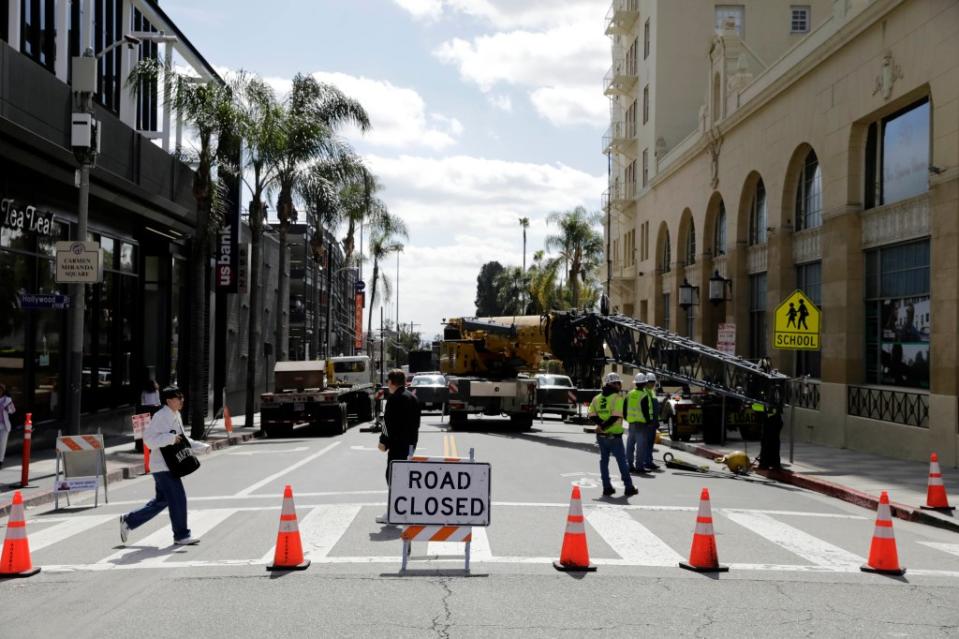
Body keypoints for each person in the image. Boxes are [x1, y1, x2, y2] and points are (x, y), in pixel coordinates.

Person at [120, 386, 199, 546]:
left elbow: (181, 439)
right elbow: (149, 440)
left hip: (169, 466)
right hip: (162, 466)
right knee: (178, 498)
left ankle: (129, 520)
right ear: (169, 401)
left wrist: (200, 446)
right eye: (178, 397)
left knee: (162, 501)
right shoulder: (161, 416)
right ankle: (181, 535)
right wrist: (170, 439)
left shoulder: (176, 415)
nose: (182, 400)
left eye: (182, 396)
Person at [376, 368, 421, 524]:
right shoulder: (413, 398)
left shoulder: (393, 399)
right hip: (410, 445)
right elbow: (417, 425)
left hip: (397, 445)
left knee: (392, 476)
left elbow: (387, 424)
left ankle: (393, 511)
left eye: (388, 381)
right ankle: (404, 508)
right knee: (404, 478)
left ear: (391, 382)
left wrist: (383, 442)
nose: (387, 385)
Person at [588, 372, 638, 497]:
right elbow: (615, 416)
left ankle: (607, 488)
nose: (619, 385)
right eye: (618, 383)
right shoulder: (617, 398)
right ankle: (629, 487)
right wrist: (604, 426)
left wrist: (600, 426)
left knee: (604, 461)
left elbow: (591, 415)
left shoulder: (597, 398)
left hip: (601, 437)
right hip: (614, 436)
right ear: (612, 384)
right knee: (622, 461)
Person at [624, 373, 647, 473]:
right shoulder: (644, 395)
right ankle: (639, 467)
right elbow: (645, 411)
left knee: (630, 445)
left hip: (631, 424)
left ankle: (629, 465)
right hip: (641, 424)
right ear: (644, 383)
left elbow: (624, 408)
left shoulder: (629, 394)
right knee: (640, 447)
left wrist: (627, 419)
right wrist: (649, 421)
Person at [639, 373, 661, 471]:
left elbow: (655, 408)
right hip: (647, 422)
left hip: (653, 422)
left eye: (653, 382)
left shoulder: (652, 392)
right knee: (646, 443)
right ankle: (645, 462)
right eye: (650, 382)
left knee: (650, 443)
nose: (652, 384)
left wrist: (657, 420)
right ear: (646, 382)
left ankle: (649, 461)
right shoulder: (644, 392)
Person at [0, 383, 15, 469]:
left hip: (4, 426)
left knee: (2, 444)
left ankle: (0, 460)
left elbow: (12, 410)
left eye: (0, 390)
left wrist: (7, 408)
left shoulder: (7, 400)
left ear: (3, 391)